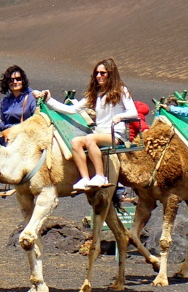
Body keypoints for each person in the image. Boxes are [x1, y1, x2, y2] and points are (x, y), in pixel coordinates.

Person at [37, 58, 136, 192]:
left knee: (90, 139)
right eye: (97, 73)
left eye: (103, 73)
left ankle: (100, 176)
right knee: (76, 142)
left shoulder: (121, 91)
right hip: (100, 134)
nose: (99, 76)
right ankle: (85, 179)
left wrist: (120, 117)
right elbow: (72, 109)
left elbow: (133, 112)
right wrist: (49, 100)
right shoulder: (96, 93)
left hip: (116, 135)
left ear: (110, 74)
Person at [0, 65, 36, 197]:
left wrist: (13, 130)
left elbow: (35, 120)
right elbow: (4, 124)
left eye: (18, 79)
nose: (15, 82)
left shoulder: (32, 97)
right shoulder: (5, 101)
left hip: (27, 135)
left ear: (23, 80)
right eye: (11, 80)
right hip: (8, 135)